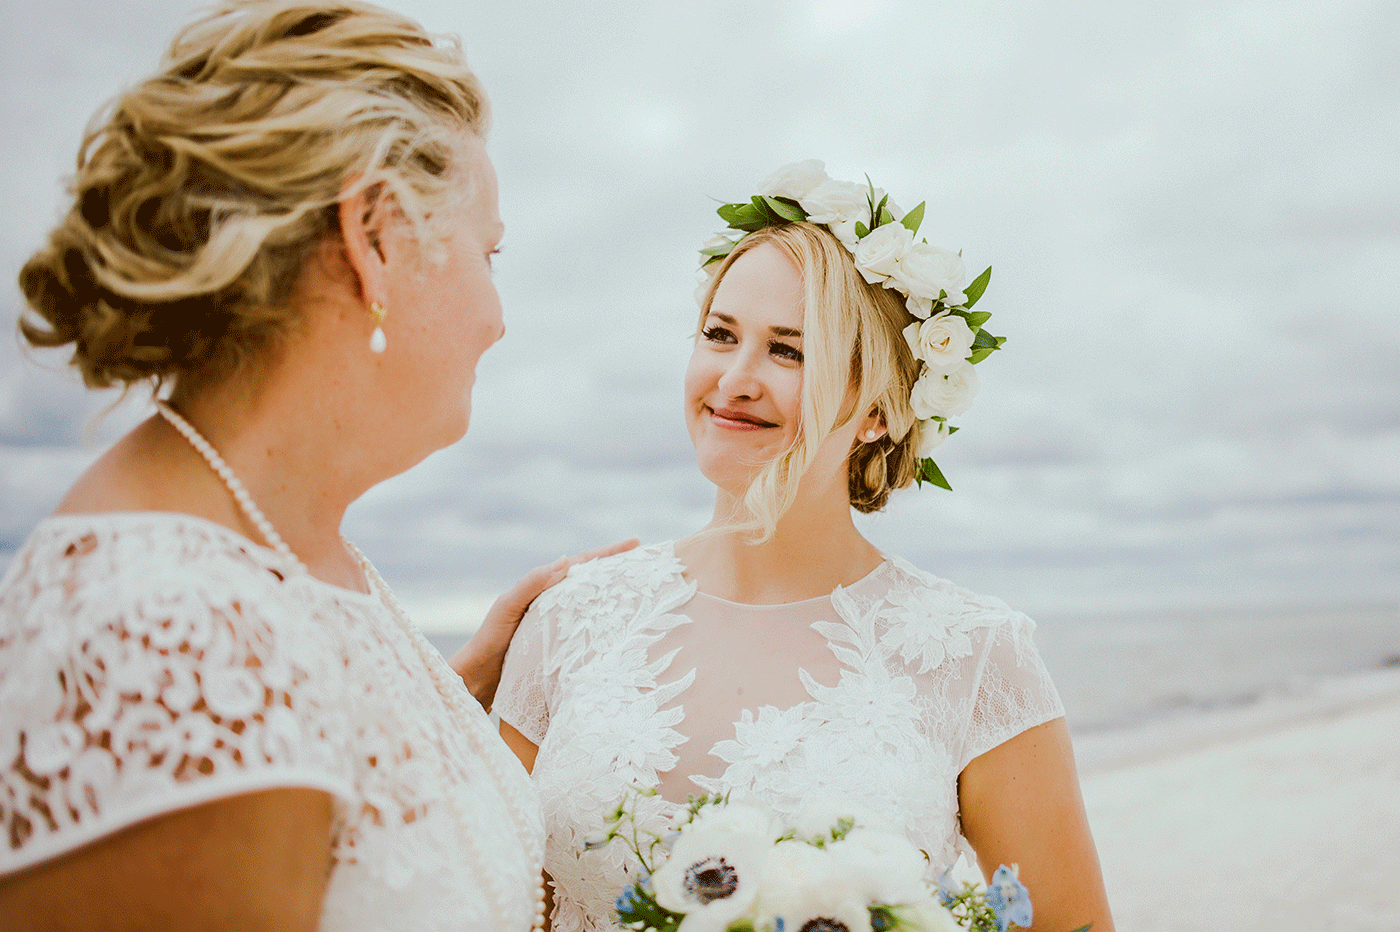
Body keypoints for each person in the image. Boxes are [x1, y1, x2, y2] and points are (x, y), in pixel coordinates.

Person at [0, 2, 630, 929]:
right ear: (375, 236)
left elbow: (329, 824)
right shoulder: (172, 629)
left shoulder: (274, 545)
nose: (498, 318)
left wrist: (458, 691)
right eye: (488, 253)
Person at [496, 162, 1116, 932]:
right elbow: (490, 900)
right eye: (720, 336)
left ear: (879, 413)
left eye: (789, 351)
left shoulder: (978, 659)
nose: (735, 379)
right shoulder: (571, 622)